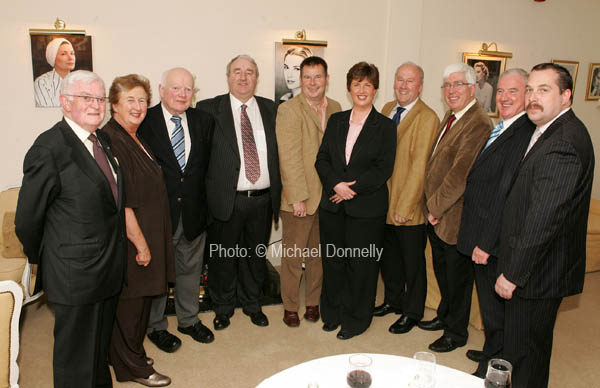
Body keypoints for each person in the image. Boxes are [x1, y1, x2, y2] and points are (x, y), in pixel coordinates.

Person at [15, 70, 125, 387]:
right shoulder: (49, 148)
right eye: (86, 98)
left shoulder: (101, 139)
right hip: (73, 274)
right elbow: (27, 219)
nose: (96, 105)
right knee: (75, 363)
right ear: (65, 103)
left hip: (106, 269)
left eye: (100, 98)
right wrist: (49, 259)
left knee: (96, 356)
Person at [496, 63, 594, 388]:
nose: (533, 98)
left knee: (525, 359)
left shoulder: (563, 141)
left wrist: (513, 274)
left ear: (566, 96)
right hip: (537, 270)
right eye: (531, 89)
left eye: (544, 90)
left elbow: (543, 219)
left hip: (537, 275)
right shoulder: (548, 130)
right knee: (524, 353)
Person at [456, 69, 535, 377]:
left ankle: (491, 368)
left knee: (496, 312)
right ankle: (491, 349)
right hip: (480, 230)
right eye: (501, 91)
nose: (504, 97)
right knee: (490, 308)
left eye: (512, 92)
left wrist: (486, 244)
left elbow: (506, 194)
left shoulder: (524, 133)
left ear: (527, 94)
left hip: (492, 240)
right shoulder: (503, 128)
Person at [197, 55, 281, 330]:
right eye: (237, 72)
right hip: (226, 199)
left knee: (255, 256)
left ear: (257, 78)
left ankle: (252, 304)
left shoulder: (273, 109)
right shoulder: (208, 109)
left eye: (249, 72)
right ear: (228, 76)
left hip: (263, 199)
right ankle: (223, 307)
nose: (243, 77)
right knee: (222, 256)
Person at [101, 74, 175, 387]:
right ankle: (134, 368)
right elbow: (123, 202)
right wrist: (141, 244)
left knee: (141, 300)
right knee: (131, 305)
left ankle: (128, 354)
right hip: (133, 238)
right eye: (130, 99)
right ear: (114, 104)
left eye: (142, 100)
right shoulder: (111, 139)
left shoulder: (135, 136)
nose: (138, 106)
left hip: (150, 232)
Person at [315, 62, 396, 340]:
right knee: (334, 262)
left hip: (367, 209)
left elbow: (383, 168)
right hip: (333, 206)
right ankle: (333, 313)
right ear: (349, 88)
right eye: (356, 84)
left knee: (361, 266)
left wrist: (353, 189)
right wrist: (335, 184)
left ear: (375, 89)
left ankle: (356, 320)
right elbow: (322, 158)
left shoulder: (385, 126)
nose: (362, 90)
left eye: (367, 85)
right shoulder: (337, 120)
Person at [138, 67, 215, 353]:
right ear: (161, 90)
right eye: (176, 88)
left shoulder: (203, 121)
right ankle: (156, 326)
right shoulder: (145, 122)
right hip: (158, 216)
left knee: (190, 271)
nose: (183, 94)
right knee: (157, 273)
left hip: (194, 213)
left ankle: (188, 319)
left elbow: (206, 169)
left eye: (188, 89)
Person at [420, 63, 492, 353]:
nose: (451, 90)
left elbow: (459, 175)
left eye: (457, 84)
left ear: (472, 88)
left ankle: (456, 332)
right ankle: (444, 316)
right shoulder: (451, 117)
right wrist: (429, 208)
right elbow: (435, 163)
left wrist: (434, 208)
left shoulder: (478, 123)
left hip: (455, 218)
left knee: (458, 280)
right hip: (437, 216)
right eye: (447, 85)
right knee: (444, 275)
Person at [374, 62, 439, 334]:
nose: (403, 85)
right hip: (384, 201)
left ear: (420, 86)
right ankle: (393, 300)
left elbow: (419, 167)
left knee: (413, 264)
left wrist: (406, 206)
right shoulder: (388, 109)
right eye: (399, 79)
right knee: (389, 259)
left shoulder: (427, 117)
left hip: (407, 206)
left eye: (409, 81)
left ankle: (412, 311)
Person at [276, 56, 342, 327]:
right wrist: (297, 197)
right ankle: (290, 306)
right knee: (293, 257)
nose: (313, 83)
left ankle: (313, 303)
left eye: (318, 77)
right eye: (307, 77)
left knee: (318, 257)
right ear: (300, 80)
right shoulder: (289, 110)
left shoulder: (337, 108)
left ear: (327, 79)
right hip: (299, 199)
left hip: (328, 198)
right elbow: (289, 157)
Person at [34, 38, 76, 107]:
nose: (70, 57)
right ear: (53, 58)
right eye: (63, 54)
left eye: (72, 53)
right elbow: (49, 111)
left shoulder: (80, 81)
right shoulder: (42, 82)